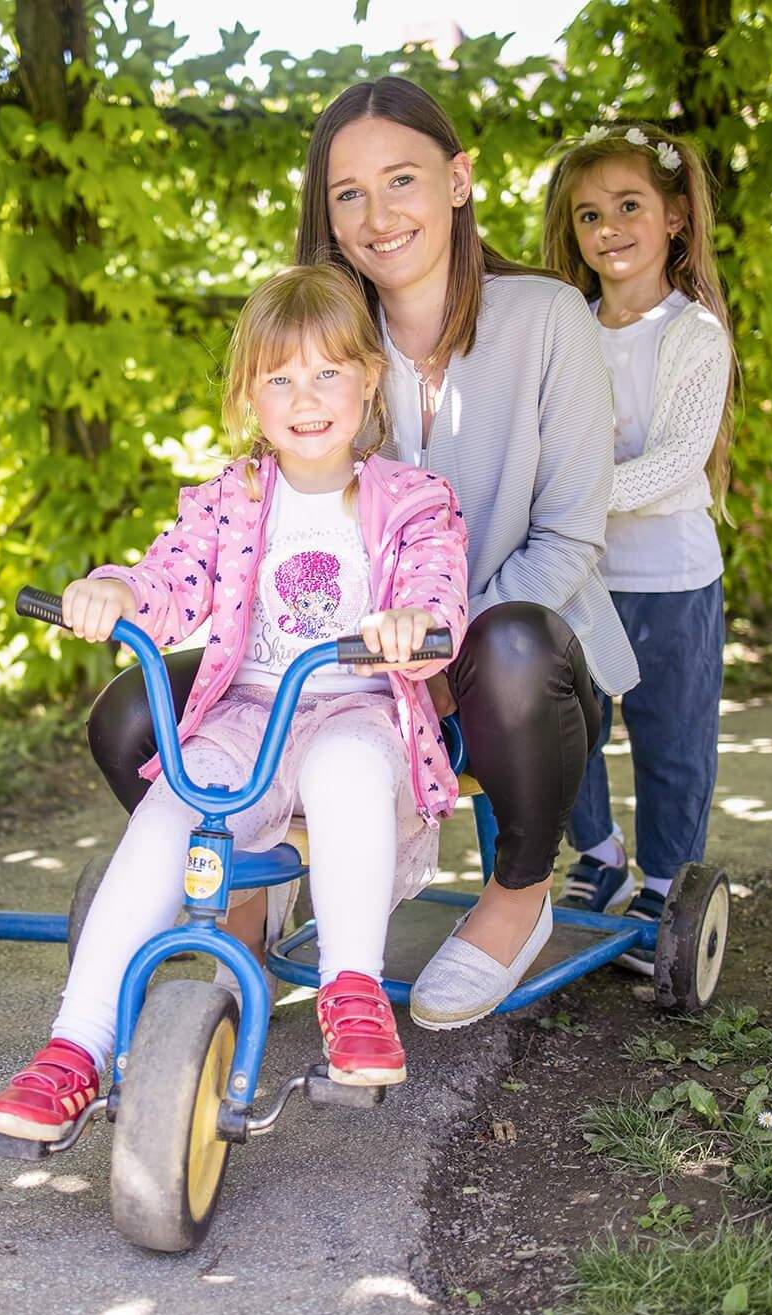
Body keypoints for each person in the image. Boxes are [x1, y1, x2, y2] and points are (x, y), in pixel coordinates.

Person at [88, 77, 638, 1030]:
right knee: (136, 717)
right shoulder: (327, 337)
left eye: (403, 180)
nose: (379, 215)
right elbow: (249, 517)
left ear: (458, 180)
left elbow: (569, 535)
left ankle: (518, 896)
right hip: (324, 671)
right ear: (326, 210)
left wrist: (434, 654)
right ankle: (257, 882)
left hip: (508, 666)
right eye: (349, 193)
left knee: (509, 646)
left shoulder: (549, 320)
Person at [0, 266, 468, 1142]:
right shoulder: (232, 499)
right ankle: (74, 1047)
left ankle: (350, 988)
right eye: (279, 378)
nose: (305, 397)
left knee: (349, 767)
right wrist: (117, 592)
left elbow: (439, 589)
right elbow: (171, 574)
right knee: (174, 807)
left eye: (327, 373)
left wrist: (415, 619)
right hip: (248, 714)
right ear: (250, 394)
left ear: (368, 377)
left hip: (357, 710)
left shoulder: (413, 502)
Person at [541, 124, 735, 972]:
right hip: (577, 576)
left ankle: (665, 877)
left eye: (629, 206)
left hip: (671, 580)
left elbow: (674, 462)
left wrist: (571, 497)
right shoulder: (564, 327)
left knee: (670, 738)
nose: (608, 228)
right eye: (589, 214)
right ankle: (599, 855)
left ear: (678, 219)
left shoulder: (694, 336)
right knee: (567, 726)